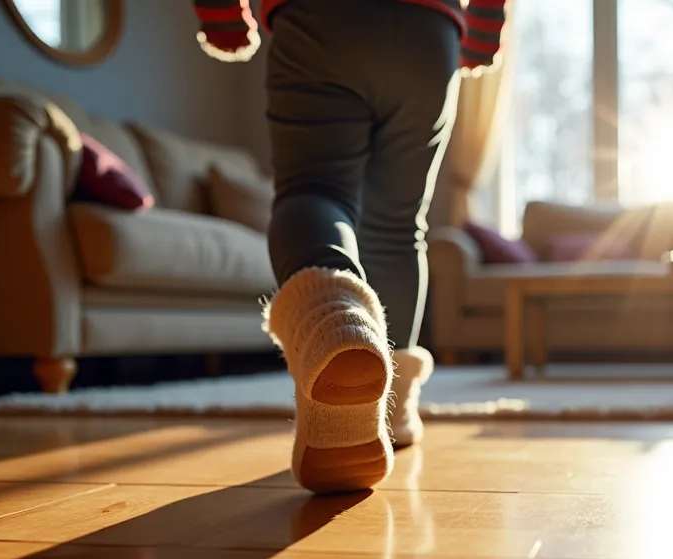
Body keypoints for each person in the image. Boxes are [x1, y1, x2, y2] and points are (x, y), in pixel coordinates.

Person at [193, 0, 506, 493]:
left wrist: (221, 15)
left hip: (318, 20)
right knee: (400, 225)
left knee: (314, 192)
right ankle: (394, 410)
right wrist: (483, 28)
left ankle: (335, 326)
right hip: (429, 30)